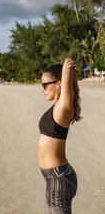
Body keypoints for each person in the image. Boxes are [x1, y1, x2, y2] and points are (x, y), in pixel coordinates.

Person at [38, 57, 82, 214]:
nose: (42, 89)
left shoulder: (63, 109)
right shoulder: (57, 108)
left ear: (59, 84)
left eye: (45, 85)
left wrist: (68, 69)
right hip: (55, 177)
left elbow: (68, 87)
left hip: (58, 178)